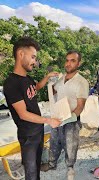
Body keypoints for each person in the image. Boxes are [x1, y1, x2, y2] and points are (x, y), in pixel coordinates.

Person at [3, 37, 61, 180]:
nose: (35, 62)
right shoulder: (11, 83)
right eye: (33, 57)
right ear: (21, 54)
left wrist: (47, 77)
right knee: (31, 173)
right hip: (28, 136)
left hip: (38, 131)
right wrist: (49, 120)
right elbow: (23, 114)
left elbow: (34, 89)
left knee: (37, 170)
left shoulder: (27, 79)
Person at [40, 50, 89, 180]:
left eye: (72, 61)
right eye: (67, 60)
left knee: (70, 145)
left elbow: (80, 106)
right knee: (54, 142)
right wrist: (50, 82)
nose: (68, 63)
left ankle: (70, 168)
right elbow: (54, 91)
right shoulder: (61, 79)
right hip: (57, 117)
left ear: (79, 63)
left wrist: (71, 118)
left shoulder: (81, 82)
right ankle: (51, 164)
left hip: (71, 119)